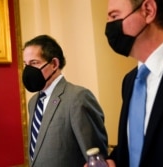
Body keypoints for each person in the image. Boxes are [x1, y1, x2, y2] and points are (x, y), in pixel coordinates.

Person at [101, 0, 163, 166]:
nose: (109, 27)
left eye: (114, 16)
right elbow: (136, 146)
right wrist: (112, 161)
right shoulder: (130, 81)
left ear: (148, 11)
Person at [22, 35, 108, 167]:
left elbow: (95, 157)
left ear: (54, 64)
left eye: (34, 63)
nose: (28, 70)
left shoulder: (77, 97)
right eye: (25, 64)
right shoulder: (33, 102)